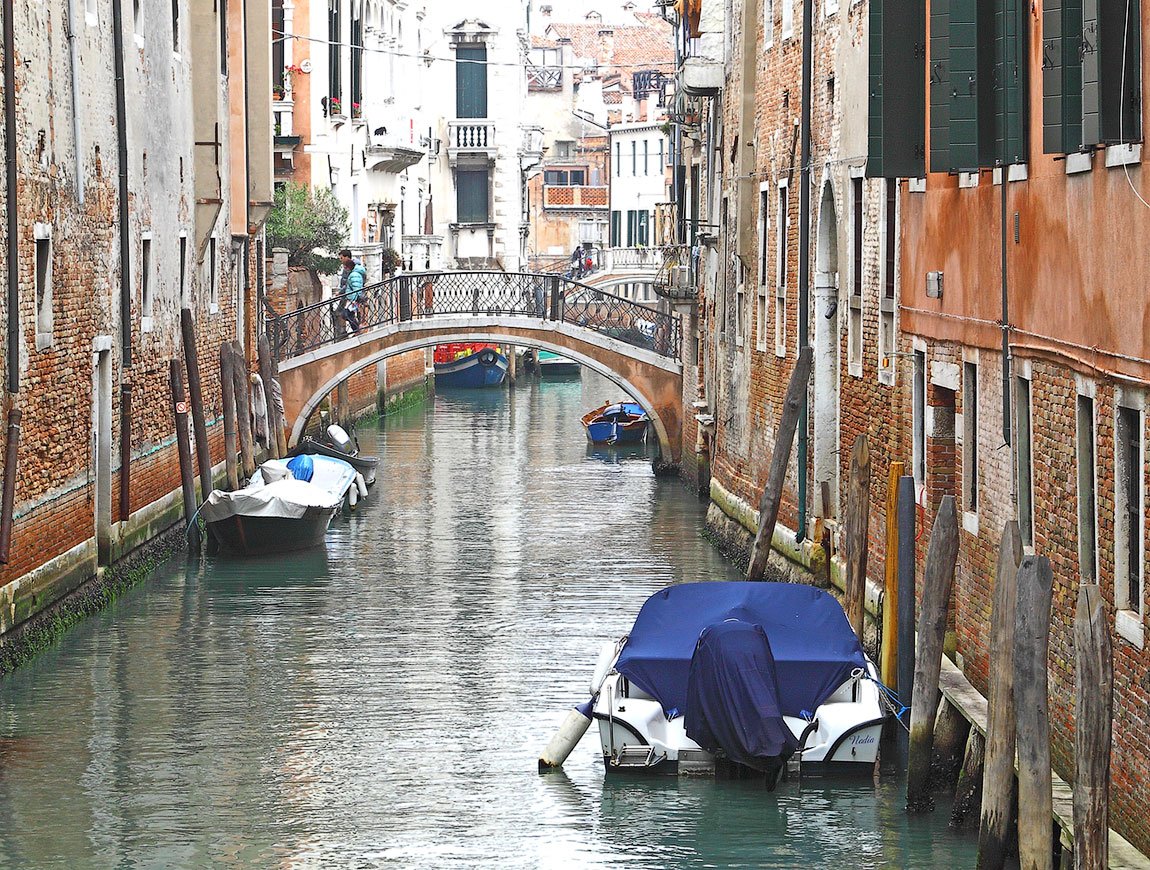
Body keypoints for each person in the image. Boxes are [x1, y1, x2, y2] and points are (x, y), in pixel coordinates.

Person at [336, 249, 366, 334]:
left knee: (347, 314)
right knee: (348, 314)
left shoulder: (354, 274)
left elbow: (356, 287)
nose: (341, 261)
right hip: (350, 296)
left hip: (352, 298)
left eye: (341, 258)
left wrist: (354, 299)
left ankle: (357, 330)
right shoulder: (354, 271)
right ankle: (356, 330)